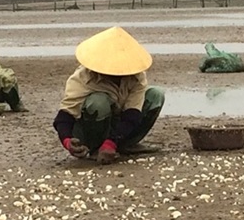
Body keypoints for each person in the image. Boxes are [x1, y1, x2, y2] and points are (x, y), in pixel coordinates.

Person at [53, 26, 165, 164]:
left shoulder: (136, 76)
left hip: (118, 124)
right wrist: (67, 141)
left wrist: (111, 143)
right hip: (88, 128)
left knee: (156, 95)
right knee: (98, 102)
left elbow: (132, 113)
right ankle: (95, 147)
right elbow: (64, 116)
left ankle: (126, 144)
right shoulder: (83, 78)